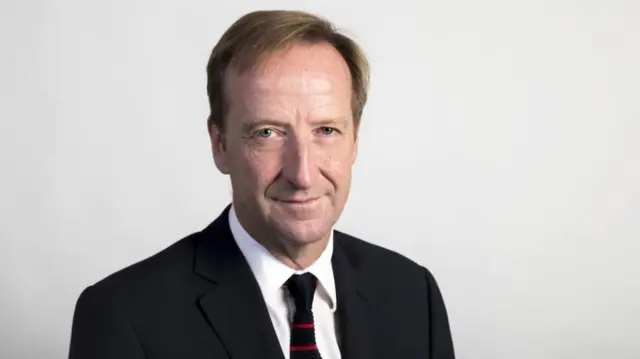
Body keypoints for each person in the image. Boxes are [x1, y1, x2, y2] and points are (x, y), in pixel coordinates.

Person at [68, 9, 456, 359]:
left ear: (355, 141)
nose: (302, 174)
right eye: (268, 133)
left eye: (326, 130)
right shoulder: (123, 316)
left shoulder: (412, 294)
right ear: (220, 146)